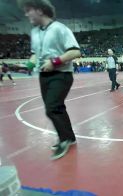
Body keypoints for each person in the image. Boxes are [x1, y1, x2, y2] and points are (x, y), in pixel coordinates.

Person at [19, 0, 81, 160]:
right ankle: (70, 137)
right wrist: (30, 63)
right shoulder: (34, 32)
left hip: (62, 75)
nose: (26, 14)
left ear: (39, 10)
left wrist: (54, 62)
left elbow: (75, 52)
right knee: (57, 107)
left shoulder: (60, 29)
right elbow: (35, 53)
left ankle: (64, 140)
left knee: (51, 108)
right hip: (44, 76)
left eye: (28, 10)